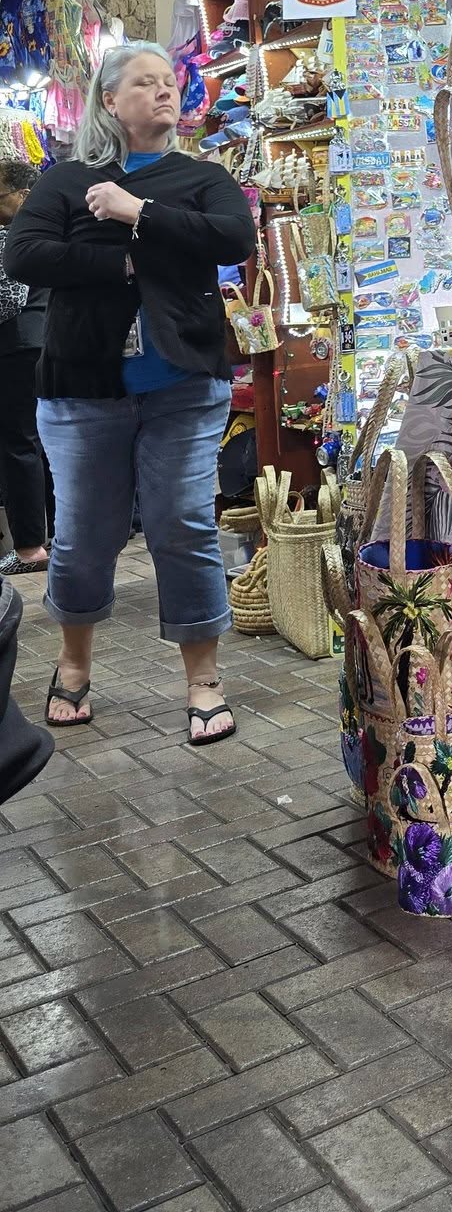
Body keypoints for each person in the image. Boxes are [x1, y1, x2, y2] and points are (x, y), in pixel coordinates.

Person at [4, 42, 256, 740]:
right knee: (85, 534)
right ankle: (73, 663)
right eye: (145, 83)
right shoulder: (66, 180)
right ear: (110, 100)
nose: (164, 91)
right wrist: (122, 263)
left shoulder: (202, 177)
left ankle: (204, 679)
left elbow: (233, 237)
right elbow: (23, 253)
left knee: (182, 524)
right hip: (82, 392)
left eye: (168, 81)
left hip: (184, 387)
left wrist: (137, 211)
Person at [0, 160, 50, 575]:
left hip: (17, 346)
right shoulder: (47, 228)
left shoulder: (12, 234)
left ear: (23, 196)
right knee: (42, 443)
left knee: (18, 445)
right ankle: (55, 537)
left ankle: (30, 548)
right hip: (41, 341)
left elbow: (8, 299)